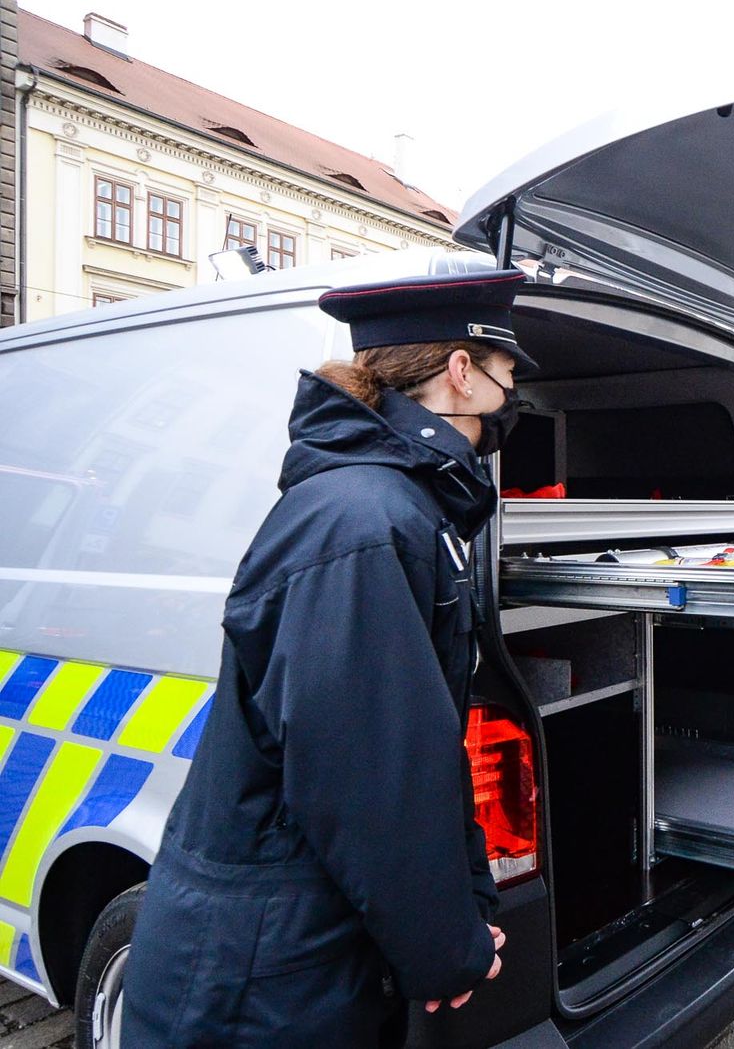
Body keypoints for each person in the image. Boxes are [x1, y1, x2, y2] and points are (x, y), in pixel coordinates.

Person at [121, 269, 537, 1046]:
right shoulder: (364, 520)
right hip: (262, 971)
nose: (514, 391)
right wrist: (447, 948)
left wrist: (466, 900)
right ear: (460, 374)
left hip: (301, 944)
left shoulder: (394, 503)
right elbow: (371, 776)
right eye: (507, 372)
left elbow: (415, 753)